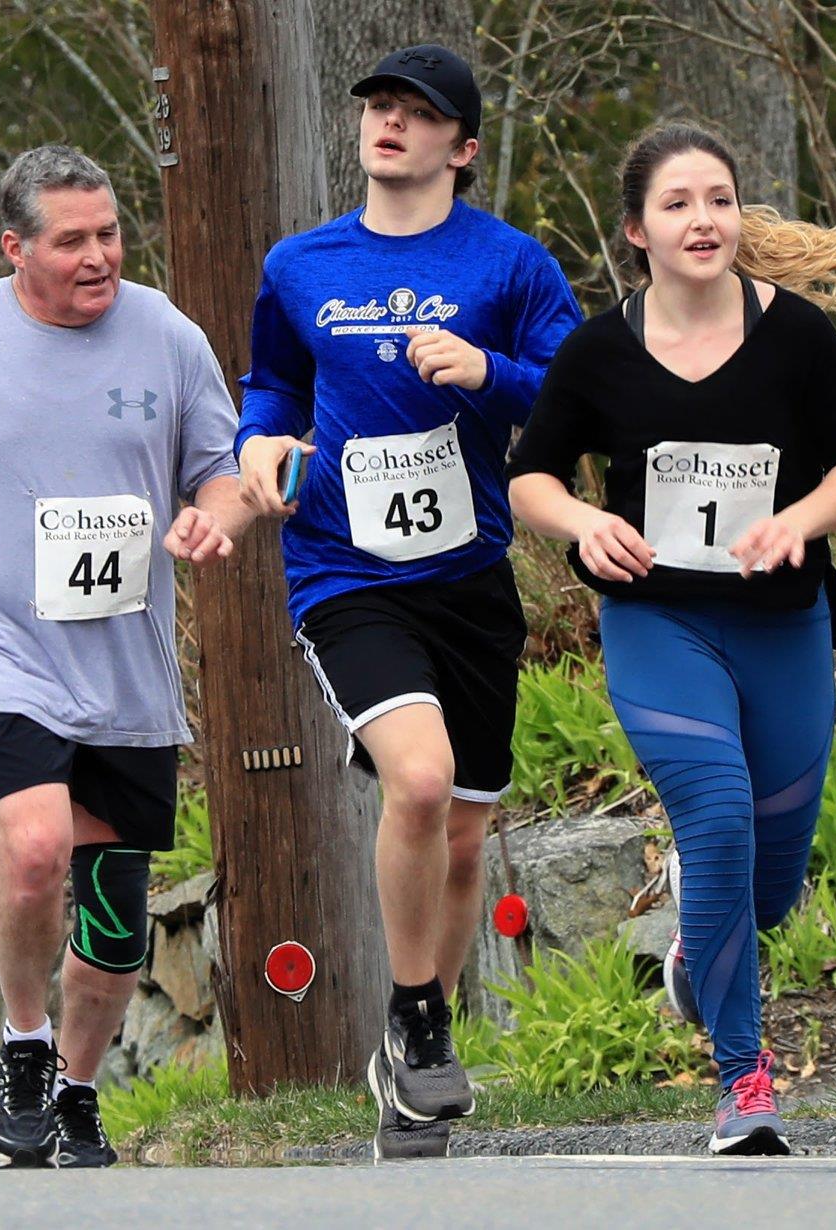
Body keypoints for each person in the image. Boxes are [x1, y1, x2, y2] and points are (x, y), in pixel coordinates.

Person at [0, 145, 249, 1169]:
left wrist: (214, 516)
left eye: (108, 233)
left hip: (124, 667)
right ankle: (24, 1047)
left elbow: (224, 468)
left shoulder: (167, 334)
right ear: (15, 247)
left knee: (114, 916)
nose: (99, 256)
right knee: (32, 848)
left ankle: (76, 1090)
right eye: (72, 241)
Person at [508, 122, 836, 1156]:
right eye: (677, 204)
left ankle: (696, 944)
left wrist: (798, 520)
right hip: (658, 621)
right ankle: (742, 1083)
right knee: (717, 817)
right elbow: (531, 475)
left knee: (770, 886)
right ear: (638, 231)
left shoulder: (796, 335)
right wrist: (583, 522)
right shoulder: (599, 350)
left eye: (718, 199)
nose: (703, 219)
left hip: (782, 624)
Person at [234, 44, 581, 1158]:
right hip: (345, 568)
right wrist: (256, 447)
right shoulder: (301, 264)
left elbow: (578, 394)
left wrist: (488, 373)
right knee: (419, 782)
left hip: (468, 577)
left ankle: (414, 1047)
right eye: (378, 106)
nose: (389, 123)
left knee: (464, 834)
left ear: (461, 146)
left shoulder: (511, 264)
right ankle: (418, 1017)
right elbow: (272, 384)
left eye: (417, 112)